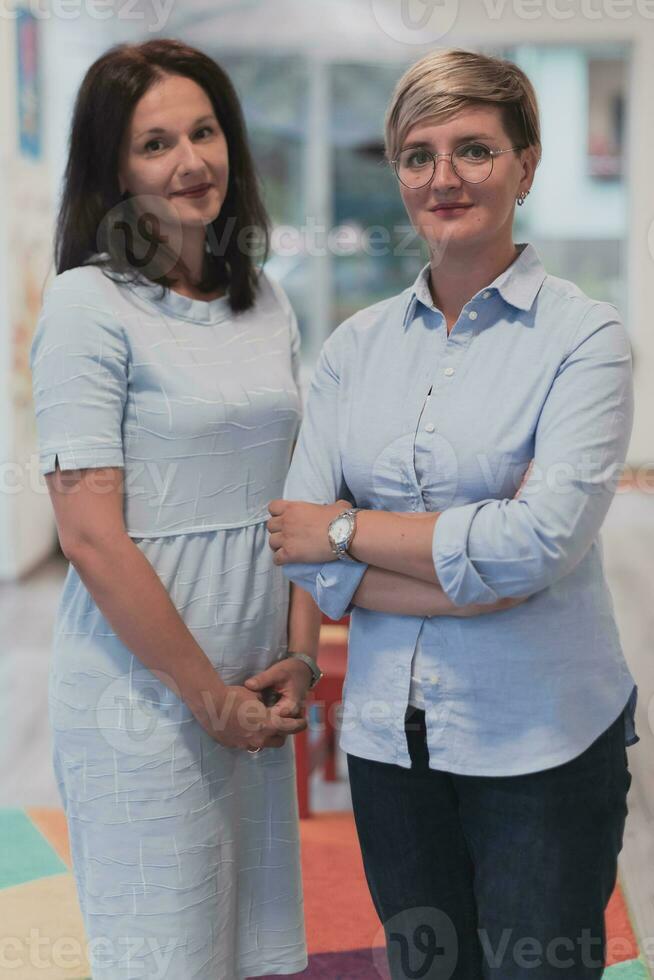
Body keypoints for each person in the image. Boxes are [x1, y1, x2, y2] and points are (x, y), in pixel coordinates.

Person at [263, 48, 639, 979]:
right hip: (393, 744)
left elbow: (537, 545)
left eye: (473, 149)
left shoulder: (584, 338)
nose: (444, 178)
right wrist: (470, 579)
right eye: (419, 155)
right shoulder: (354, 349)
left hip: (542, 742)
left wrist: (351, 533)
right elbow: (298, 545)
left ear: (528, 161)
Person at [29, 38, 321, 980]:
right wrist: (208, 699)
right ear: (114, 166)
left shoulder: (266, 301)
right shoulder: (87, 305)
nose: (191, 161)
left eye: (204, 132)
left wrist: (303, 654)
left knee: (249, 948)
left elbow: (298, 491)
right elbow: (89, 537)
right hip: (147, 697)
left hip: (254, 683)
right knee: (168, 954)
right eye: (155, 144)